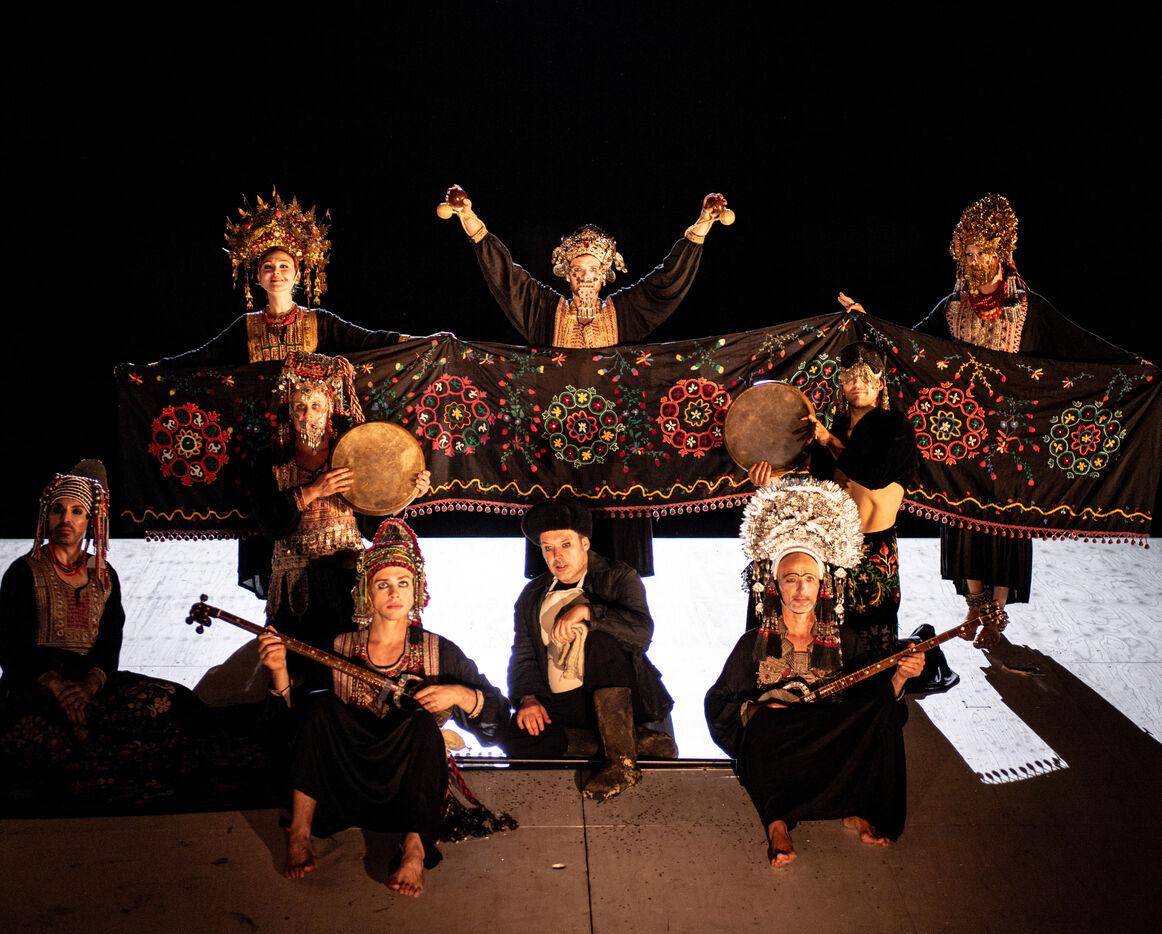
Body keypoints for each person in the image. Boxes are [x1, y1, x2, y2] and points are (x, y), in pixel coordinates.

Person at [440, 184, 732, 576]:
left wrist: (703, 224)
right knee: (557, 564)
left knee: (618, 567)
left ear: (606, 274)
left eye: (594, 270)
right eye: (578, 271)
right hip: (555, 453)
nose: (586, 277)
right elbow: (507, 279)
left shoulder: (625, 312)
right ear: (567, 275)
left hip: (617, 458)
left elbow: (665, 283)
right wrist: (468, 218)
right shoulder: (544, 311)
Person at [913, 194, 1143, 645]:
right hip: (964, 433)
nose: (971, 261)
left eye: (979, 252)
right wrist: (866, 323)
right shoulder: (952, 308)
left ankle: (997, 612)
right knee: (963, 515)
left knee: (1007, 521)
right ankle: (974, 604)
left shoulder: (1030, 310)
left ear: (1000, 253)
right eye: (966, 253)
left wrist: (1133, 365)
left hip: (1012, 438)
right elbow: (910, 342)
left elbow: (1080, 344)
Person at [258, 519, 507, 896]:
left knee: (422, 725)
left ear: (416, 591)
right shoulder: (338, 647)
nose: (394, 593)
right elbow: (291, 728)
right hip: (343, 780)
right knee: (320, 704)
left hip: (406, 788)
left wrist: (459, 694)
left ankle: (414, 851)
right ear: (366, 594)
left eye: (403, 583)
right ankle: (300, 833)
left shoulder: (440, 652)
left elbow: (497, 719)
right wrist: (278, 670)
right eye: (383, 584)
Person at [706, 477, 926, 869]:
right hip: (780, 743)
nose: (801, 590)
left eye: (809, 579)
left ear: (822, 585)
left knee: (871, 711)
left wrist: (900, 679)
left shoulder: (845, 640)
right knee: (763, 728)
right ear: (775, 586)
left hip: (828, 737)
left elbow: (871, 704)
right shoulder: (753, 643)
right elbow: (718, 702)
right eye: (791, 579)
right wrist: (755, 712)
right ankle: (777, 825)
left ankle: (854, 808)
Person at [0, 461, 201, 803]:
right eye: (58, 510)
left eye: (76, 512)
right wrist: (56, 686)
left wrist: (90, 685)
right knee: (52, 728)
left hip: (91, 682)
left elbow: (110, 640)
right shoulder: (24, 571)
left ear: (90, 520)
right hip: (37, 682)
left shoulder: (104, 573)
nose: (65, 519)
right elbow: (10, 644)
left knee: (174, 700)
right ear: (46, 517)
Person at [254, 351, 430, 689]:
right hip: (296, 583)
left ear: (330, 406)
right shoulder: (273, 461)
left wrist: (407, 493)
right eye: (300, 406)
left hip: (347, 578)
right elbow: (270, 523)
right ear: (289, 408)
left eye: (315, 406)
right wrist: (313, 490)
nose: (307, 415)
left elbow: (371, 523)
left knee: (352, 667)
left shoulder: (352, 453)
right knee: (301, 670)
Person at [503, 496, 675, 800]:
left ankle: (621, 763)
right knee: (517, 736)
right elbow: (524, 654)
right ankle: (635, 744)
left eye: (565, 545)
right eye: (547, 548)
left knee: (600, 640)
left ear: (585, 543)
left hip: (618, 700)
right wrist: (528, 698)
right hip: (564, 705)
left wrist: (588, 612)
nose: (557, 556)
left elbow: (641, 633)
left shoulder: (619, 576)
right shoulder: (532, 595)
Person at [161, 188, 409, 367]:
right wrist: (156, 367)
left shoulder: (320, 321)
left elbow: (368, 340)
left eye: (283, 266)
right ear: (259, 277)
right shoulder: (246, 325)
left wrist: (418, 342)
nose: (276, 273)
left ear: (297, 275)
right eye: (268, 267)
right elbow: (203, 357)